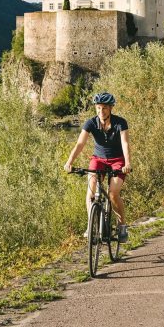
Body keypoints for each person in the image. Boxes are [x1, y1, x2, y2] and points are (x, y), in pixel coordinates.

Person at [64, 92, 132, 243]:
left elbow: (125, 144)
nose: (101, 111)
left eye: (105, 108)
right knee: (90, 193)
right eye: (98, 108)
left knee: (113, 193)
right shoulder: (91, 123)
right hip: (98, 160)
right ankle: (92, 226)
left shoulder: (120, 123)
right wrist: (69, 162)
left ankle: (122, 226)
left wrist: (127, 164)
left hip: (117, 161)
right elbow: (80, 144)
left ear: (111, 108)